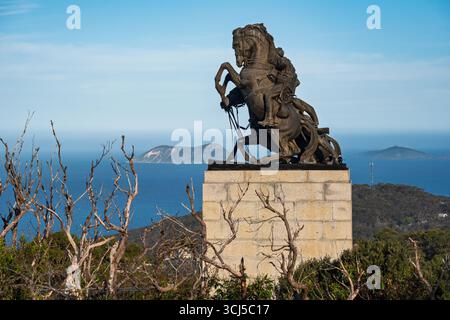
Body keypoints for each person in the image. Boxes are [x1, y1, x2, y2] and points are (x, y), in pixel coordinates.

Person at [258, 48, 300, 127]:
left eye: (275, 55)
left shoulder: (284, 60)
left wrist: (271, 63)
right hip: (284, 83)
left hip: (284, 84)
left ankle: (269, 119)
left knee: (268, 95)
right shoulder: (286, 62)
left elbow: (279, 65)